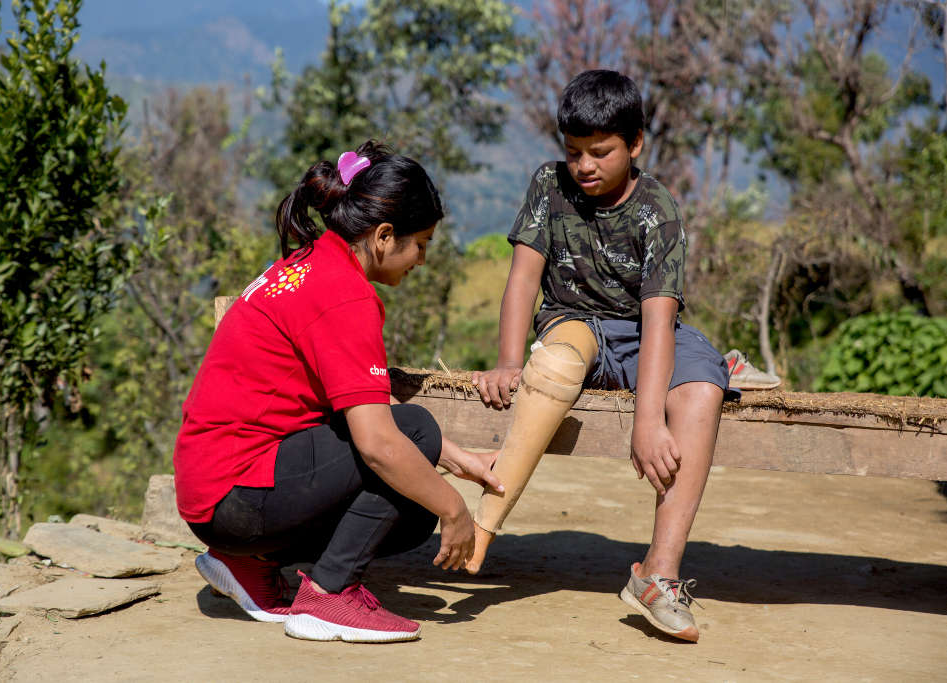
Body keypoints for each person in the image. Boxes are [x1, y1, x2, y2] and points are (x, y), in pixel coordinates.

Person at [173, 141, 502, 644]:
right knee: (414, 436)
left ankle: (248, 563)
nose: (423, 259)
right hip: (236, 492)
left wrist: (457, 461)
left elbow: (357, 400)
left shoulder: (311, 263)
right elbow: (378, 441)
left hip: (212, 490)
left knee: (414, 487)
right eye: (422, 243)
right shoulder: (346, 296)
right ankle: (329, 595)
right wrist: (453, 509)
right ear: (384, 236)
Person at [469, 70, 736, 643]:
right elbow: (522, 279)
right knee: (560, 360)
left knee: (702, 391)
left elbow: (660, 318)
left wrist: (648, 421)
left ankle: (657, 575)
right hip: (570, 321)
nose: (584, 165)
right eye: (573, 152)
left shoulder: (658, 210)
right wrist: (507, 360)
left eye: (600, 152)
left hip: (643, 330)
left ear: (635, 143)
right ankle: (481, 528)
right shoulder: (549, 185)